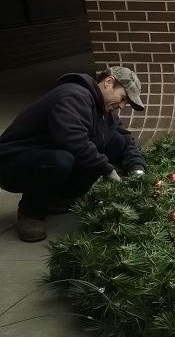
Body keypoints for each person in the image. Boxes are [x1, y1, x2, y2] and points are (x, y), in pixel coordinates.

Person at [0, 66, 147, 242]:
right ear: (108, 83)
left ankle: (60, 199)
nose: (122, 106)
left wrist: (137, 168)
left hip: (46, 160)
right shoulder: (73, 95)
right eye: (123, 98)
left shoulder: (105, 112)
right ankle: (31, 213)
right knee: (62, 160)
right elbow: (73, 139)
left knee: (114, 141)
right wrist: (107, 170)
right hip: (12, 164)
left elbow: (125, 141)